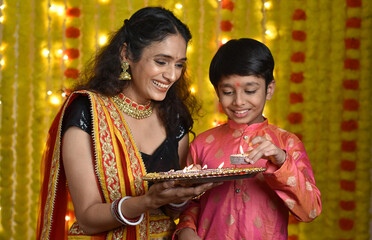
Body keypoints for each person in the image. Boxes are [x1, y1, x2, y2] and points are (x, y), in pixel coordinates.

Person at [36, 7, 219, 240]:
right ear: (126, 55)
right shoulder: (87, 111)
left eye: (179, 65)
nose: (172, 75)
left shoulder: (175, 119)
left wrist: (184, 194)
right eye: (161, 62)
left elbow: (172, 211)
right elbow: (87, 218)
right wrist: (146, 201)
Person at [175, 38, 322, 240]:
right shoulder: (202, 144)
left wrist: (281, 161)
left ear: (269, 89)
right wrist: (186, 230)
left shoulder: (287, 143)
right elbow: (188, 203)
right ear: (217, 92)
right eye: (228, 92)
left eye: (250, 91)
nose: (239, 101)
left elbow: (310, 210)